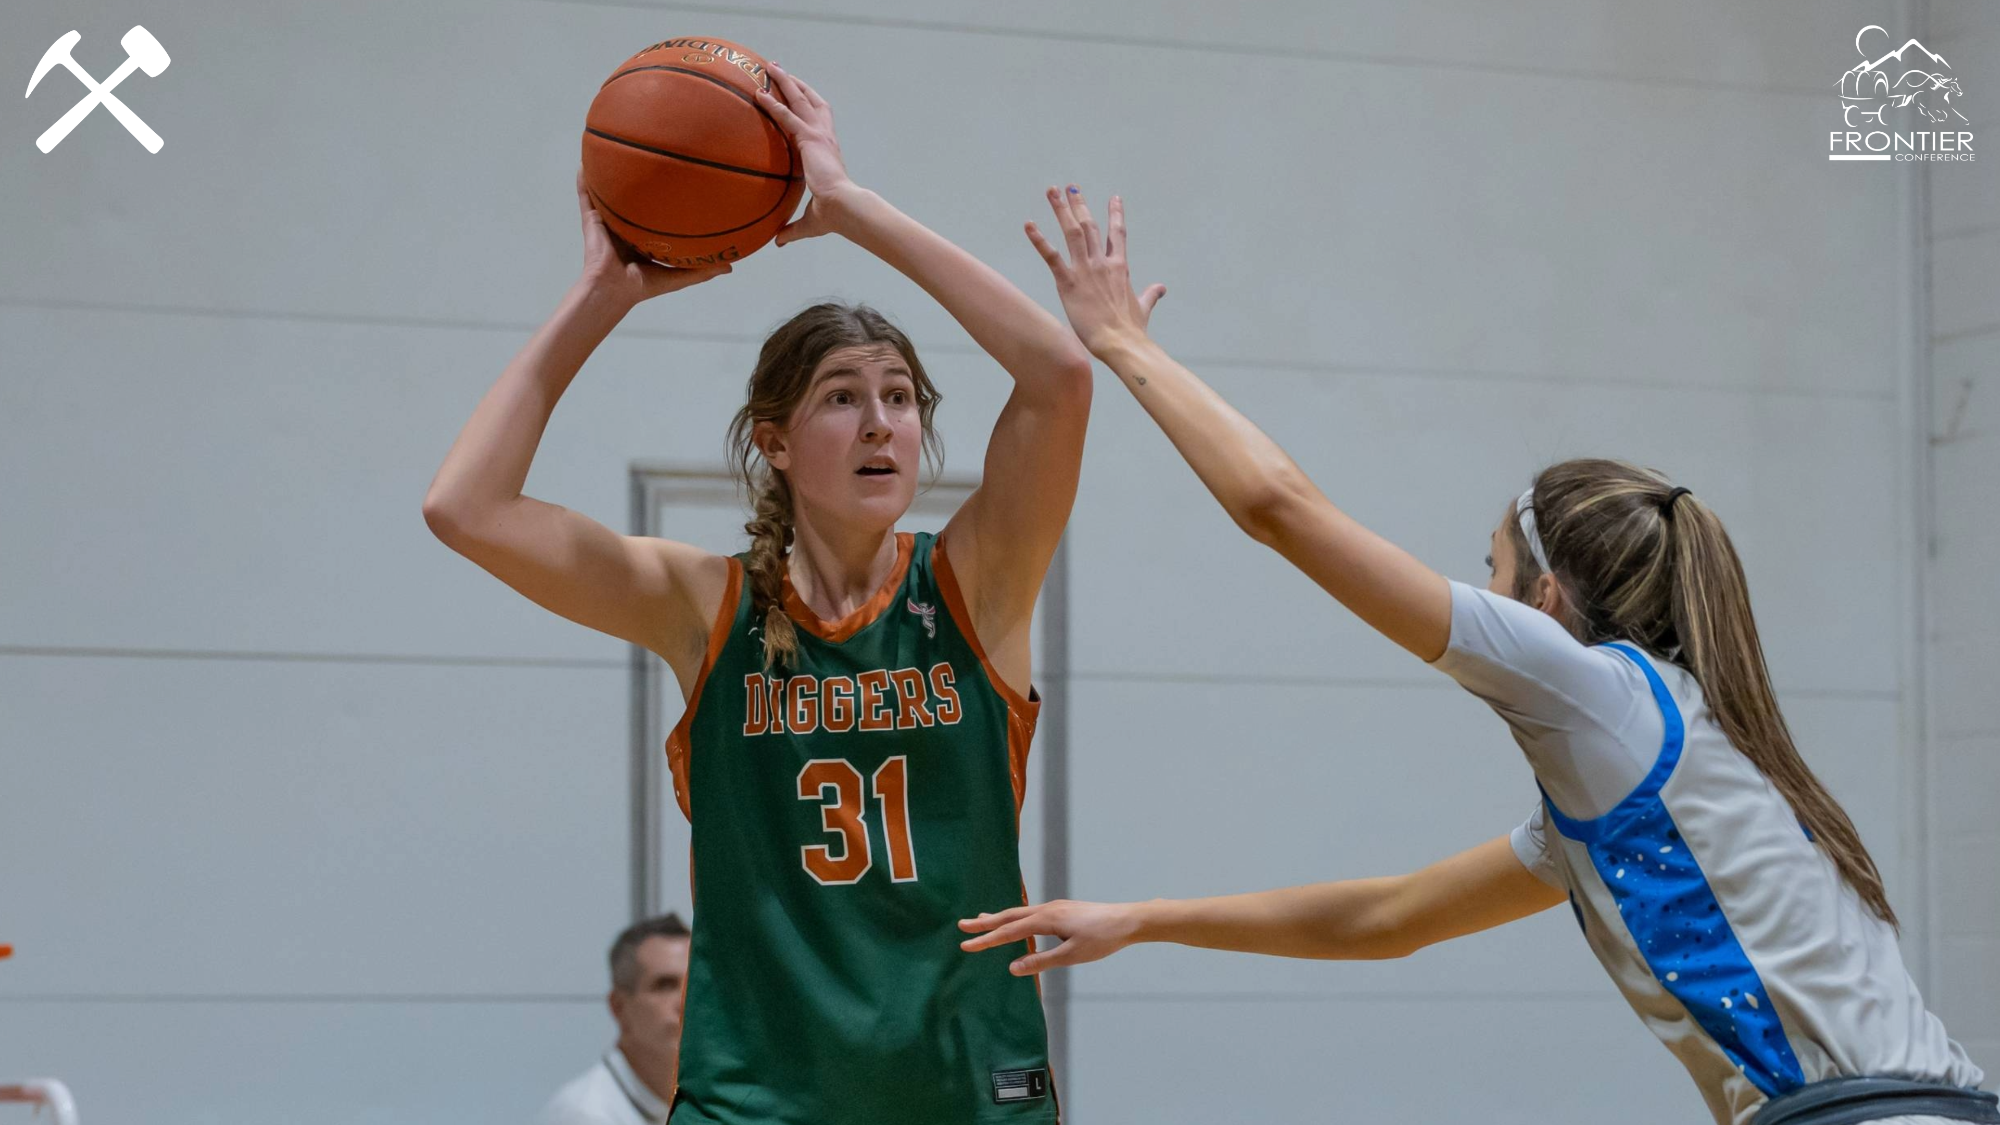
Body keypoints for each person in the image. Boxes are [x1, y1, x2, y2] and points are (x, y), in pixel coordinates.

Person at [960, 187, 1994, 1125]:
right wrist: (1138, 919)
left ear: (1543, 600)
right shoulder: (1630, 784)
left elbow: (1277, 509)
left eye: (1488, 569)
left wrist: (1121, 346)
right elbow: (1383, 918)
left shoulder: (1597, 699)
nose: (1478, 593)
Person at [425, 64, 1087, 1125]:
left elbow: (1058, 375)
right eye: (841, 398)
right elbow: (465, 507)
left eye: (900, 397)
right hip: (759, 1105)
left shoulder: (973, 585)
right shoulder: (708, 606)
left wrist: (851, 207)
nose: (880, 423)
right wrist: (598, 298)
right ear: (775, 444)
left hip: (965, 1096)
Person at [539, 914, 693, 1125]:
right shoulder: (584, 1115)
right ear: (618, 1007)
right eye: (665, 985)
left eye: (693, 984)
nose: (686, 1002)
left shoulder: (699, 1100)